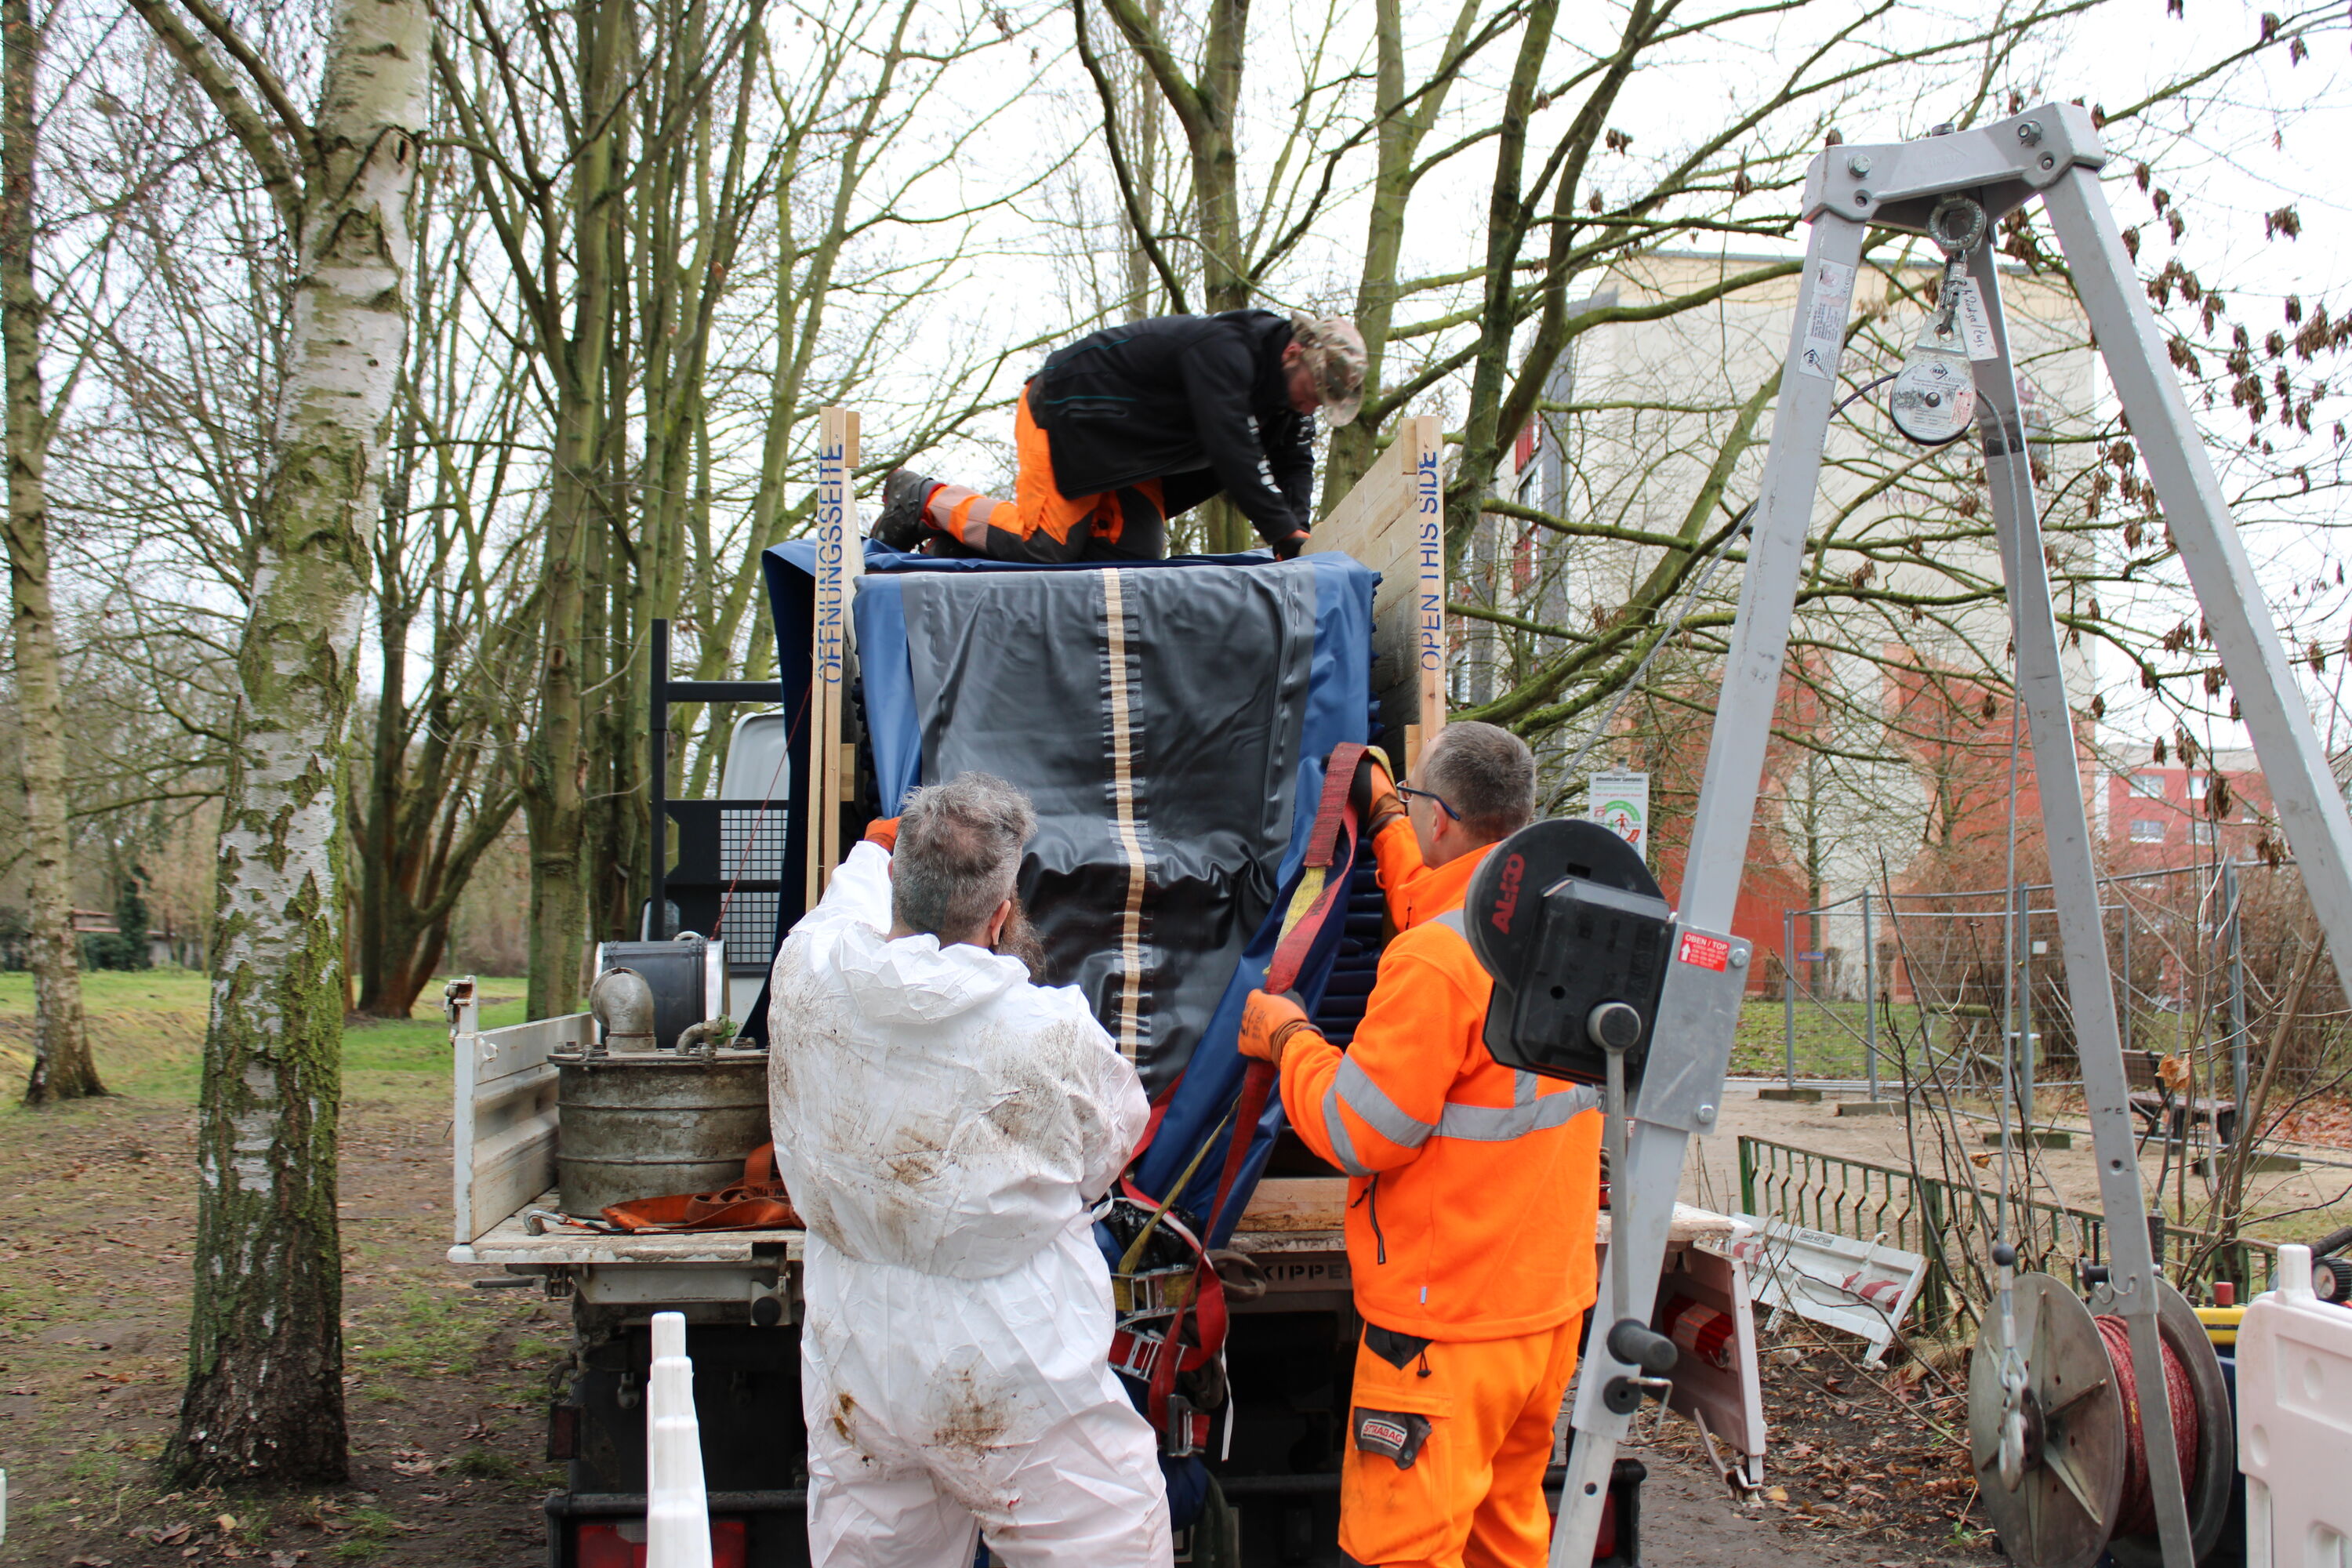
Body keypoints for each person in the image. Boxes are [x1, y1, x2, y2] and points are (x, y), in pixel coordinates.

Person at [766, 772, 1170, 1568]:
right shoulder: (1046, 1033)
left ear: (894, 888)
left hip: (857, 1352)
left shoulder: (809, 966)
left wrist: (882, 844)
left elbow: (853, 890)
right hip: (1012, 1364)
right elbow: (1114, 1144)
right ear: (1000, 914)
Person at [1236, 723, 1603, 1568]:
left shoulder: (1433, 963)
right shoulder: (1566, 926)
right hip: (1543, 1316)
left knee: (1403, 1552)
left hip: (1442, 1332)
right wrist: (1387, 813)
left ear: (1441, 818)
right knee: (1504, 1540)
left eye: (1414, 811)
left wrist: (1288, 1037)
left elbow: (1356, 1130)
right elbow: (1436, 898)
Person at [874, 310, 1367, 563]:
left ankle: (955, 551)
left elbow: (1294, 464)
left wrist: (1295, 537)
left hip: (1130, 459)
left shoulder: (1288, 404)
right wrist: (1285, 535)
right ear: (1294, 354)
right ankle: (924, 498)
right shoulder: (1225, 351)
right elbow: (1233, 451)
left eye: (1323, 402)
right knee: (1047, 546)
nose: (1311, 405)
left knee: (1130, 565)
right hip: (1069, 416)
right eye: (1313, 392)